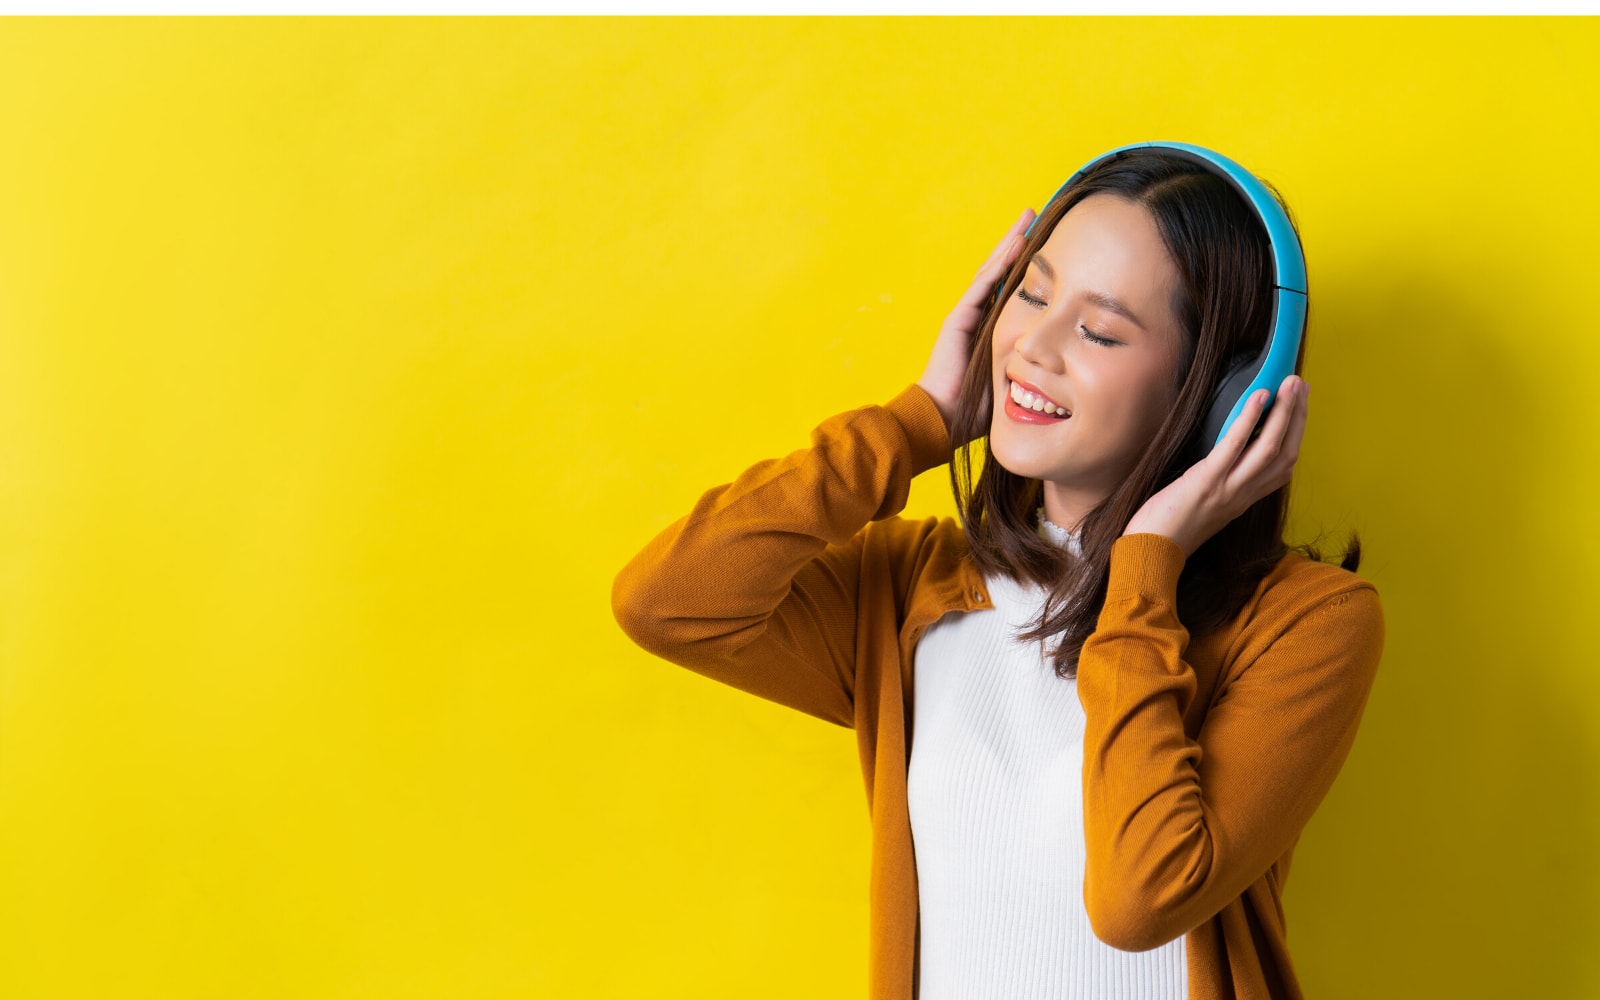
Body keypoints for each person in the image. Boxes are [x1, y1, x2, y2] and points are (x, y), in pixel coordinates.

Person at [612, 148, 1385, 1000]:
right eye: (1033, 294)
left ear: (1217, 398)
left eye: (1099, 331)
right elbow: (666, 602)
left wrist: (1145, 563)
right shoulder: (912, 589)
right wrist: (918, 424)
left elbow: (1139, 902)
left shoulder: (1308, 623)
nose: (1032, 348)